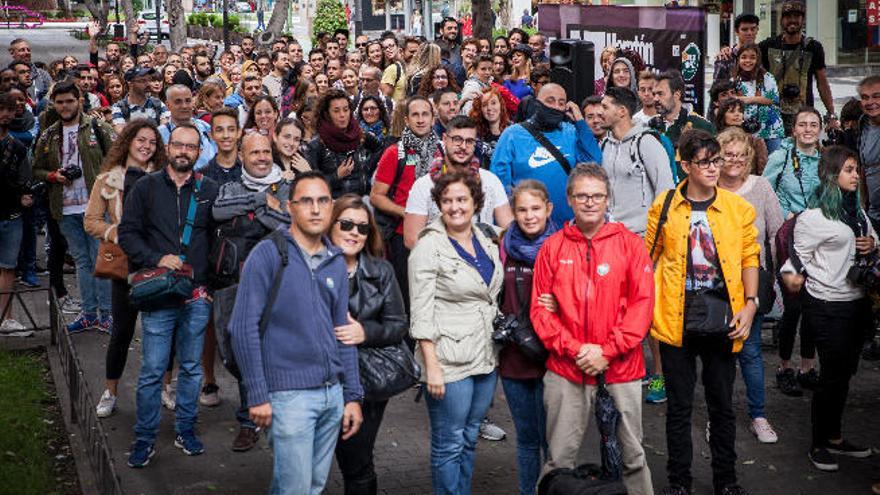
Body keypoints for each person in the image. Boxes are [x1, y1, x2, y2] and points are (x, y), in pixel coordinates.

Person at [231, 170, 364, 493]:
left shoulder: (334, 259)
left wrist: (352, 396)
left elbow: (342, 331)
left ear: (332, 207)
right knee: (296, 489)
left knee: (313, 486)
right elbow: (242, 328)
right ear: (290, 208)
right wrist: (258, 394)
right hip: (288, 397)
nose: (316, 209)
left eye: (322, 201)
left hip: (331, 394)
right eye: (306, 201)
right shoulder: (269, 253)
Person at [646, 129, 758, 495]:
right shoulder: (664, 205)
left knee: (722, 405)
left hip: (724, 317)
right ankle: (680, 481)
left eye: (716, 160)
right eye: (705, 162)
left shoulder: (738, 208)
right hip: (676, 318)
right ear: (685, 166)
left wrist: (751, 305)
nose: (714, 168)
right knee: (679, 407)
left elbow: (749, 258)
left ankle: (727, 480)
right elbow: (648, 258)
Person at [532, 163, 654, 494]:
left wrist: (607, 351)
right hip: (566, 369)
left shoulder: (630, 245)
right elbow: (541, 314)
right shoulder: (552, 248)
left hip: (621, 368)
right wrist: (577, 350)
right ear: (569, 199)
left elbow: (642, 307)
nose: (589, 202)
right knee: (559, 461)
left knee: (633, 459)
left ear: (607, 199)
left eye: (597, 196)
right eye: (582, 195)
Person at [118, 123, 220, 467]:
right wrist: (156, 258)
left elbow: (219, 244)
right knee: (152, 370)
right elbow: (127, 234)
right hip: (159, 294)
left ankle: (186, 429)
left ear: (198, 151)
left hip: (196, 295)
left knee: (191, 368)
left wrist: (210, 286)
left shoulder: (210, 189)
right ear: (168, 147)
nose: (184, 152)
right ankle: (144, 438)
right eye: (178, 145)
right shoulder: (145, 187)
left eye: (191, 147)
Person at [779, 146, 876, 472]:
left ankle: (835, 437)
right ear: (833, 174)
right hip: (825, 305)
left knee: (845, 375)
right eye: (849, 169)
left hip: (856, 303)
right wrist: (792, 281)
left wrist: (872, 244)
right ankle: (818, 443)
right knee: (831, 376)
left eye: (856, 169)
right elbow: (793, 263)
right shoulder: (813, 217)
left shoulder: (858, 213)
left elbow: (873, 240)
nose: (855, 175)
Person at [409, 170, 503, 495]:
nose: (454, 207)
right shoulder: (429, 247)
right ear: (438, 205)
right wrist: (431, 366)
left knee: (469, 437)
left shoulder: (485, 238)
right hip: (448, 361)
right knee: (449, 443)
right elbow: (420, 312)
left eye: (461, 199)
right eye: (447, 201)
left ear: (476, 202)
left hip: (485, 356)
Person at [210, 132, 291, 452]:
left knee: (274, 349)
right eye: (254, 152)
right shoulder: (229, 186)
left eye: (265, 152)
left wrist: (252, 212)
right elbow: (218, 210)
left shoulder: (287, 187)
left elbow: (288, 221)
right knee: (236, 351)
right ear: (241, 156)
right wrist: (260, 202)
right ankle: (249, 414)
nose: (261, 157)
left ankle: (262, 416)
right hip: (234, 281)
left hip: (278, 284)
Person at [326, 194, 408, 494]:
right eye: (346, 224)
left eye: (362, 228)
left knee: (357, 461)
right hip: (317, 376)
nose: (354, 233)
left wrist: (365, 332)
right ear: (330, 225)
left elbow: (399, 325)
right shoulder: (310, 267)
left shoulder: (381, 271)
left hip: (368, 378)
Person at [86, 120, 165, 417]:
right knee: (122, 330)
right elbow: (91, 220)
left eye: (152, 142)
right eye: (140, 140)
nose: (146, 146)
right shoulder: (109, 180)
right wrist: (117, 233)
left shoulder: (162, 178)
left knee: (161, 329)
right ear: (128, 142)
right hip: (124, 265)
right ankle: (110, 391)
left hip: (156, 263)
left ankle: (166, 387)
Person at [716, 127, 783, 444]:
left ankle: (758, 415)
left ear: (750, 158)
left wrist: (776, 282)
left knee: (751, 351)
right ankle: (720, 418)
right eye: (728, 154)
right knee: (720, 354)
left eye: (741, 155)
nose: (735, 161)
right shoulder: (708, 186)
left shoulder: (762, 187)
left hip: (751, 281)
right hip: (714, 285)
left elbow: (776, 234)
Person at [32, 82, 115, 334]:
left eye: (69, 101)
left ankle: (107, 314)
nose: (65, 106)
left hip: (96, 206)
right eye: (59, 102)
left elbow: (118, 159)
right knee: (81, 260)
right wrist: (54, 176)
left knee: (101, 259)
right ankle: (89, 313)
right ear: (53, 104)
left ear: (79, 100)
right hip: (65, 207)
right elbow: (36, 168)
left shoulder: (98, 127)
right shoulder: (49, 135)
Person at [494, 180, 555, 495]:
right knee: (528, 438)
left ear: (548, 209)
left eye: (535, 208)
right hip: (514, 354)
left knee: (553, 442)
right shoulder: (503, 245)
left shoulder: (561, 245)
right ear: (513, 212)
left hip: (553, 356)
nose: (529, 216)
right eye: (522, 210)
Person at [762, 107, 823, 396]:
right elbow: (765, 191)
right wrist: (784, 214)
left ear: (820, 129)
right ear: (794, 129)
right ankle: (784, 367)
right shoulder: (781, 157)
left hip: (818, 241)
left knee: (813, 304)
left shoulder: (827, 161)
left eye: (814, 124)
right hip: (788, 240)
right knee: (794, 304)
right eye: (803, 124)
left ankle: (807, 367)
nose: (808, 129)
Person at [491, 83, 602, 227]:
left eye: (561, 103)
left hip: (567, 228)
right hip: (529, 229)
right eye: (550, 100)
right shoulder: (512, 135)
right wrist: (510, 227)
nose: (556, 106)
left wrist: (580, 121)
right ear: (537, 103)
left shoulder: (571, 132)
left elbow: (594, 163)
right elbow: (499, 185)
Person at [403, 116, 513, 249]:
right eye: (457, 139)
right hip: (442, 264)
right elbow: (411, 239)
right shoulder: (424, 186)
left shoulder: (490, 181)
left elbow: (508, 228)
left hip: (484, 260)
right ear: (444, 139)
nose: (463, 146)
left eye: (469, 141)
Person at [370, 96, 439, 300]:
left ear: (433, 119)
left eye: (425, 114)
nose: (420, 119)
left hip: (439, 233)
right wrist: (408, 214)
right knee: (408, 296)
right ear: (406, 120)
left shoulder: (443, 150)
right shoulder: (395, 153)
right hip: (404, 236)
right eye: (415, 115)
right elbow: (376, 196)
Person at [599, 86, 674, 238]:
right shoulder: (604, 144)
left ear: (621, 111)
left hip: (641, 237)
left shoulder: (647, 142)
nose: (600, 112)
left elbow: (665, 192)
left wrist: (657, 235)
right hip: (609, 235)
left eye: (605, 107)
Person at [759, 1, 838, 133]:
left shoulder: (813, 47)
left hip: (804, 113)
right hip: (774, 114)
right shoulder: (768, 46)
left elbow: (822, 83)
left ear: (803, 19)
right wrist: (727, 51)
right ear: (781, 20)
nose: (792, 20)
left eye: (797, 16)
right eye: (788, 16)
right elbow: (746, 58)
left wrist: (831, 115)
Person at [305, 90, 384, 198]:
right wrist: (336, 176)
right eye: (336, 111)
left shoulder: (360, 135)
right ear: (327, 114)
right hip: (335, 206)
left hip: (362, 203)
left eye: (346, 110)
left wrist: (367, 167)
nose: (342, 115)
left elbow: (380, 149)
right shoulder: (317, 144)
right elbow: (311, 183)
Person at [0, 93, 31, 334]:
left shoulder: (18, 147)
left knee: (8, 268)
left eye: (10, 110)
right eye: (2, 109)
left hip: (11, 215)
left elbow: (25, 181)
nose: (6, 114)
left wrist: (26, 196)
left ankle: (6, 318)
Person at [653, 69, 715, 176]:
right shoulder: (651, 126)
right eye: (654, 94)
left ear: (676, 95)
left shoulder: (701, 126)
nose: (655, 98)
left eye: (660, 94)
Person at [731, 44, 784, 154]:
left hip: (771, 128)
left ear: (758, 59)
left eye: (752, 57)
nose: (748, 61)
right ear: (738, 59)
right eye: (744, 57)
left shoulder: (767, 77)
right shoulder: (734, 80)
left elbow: (772, 99)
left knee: (776, 161)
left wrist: (748, 99)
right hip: (747, 130)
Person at [158, 85, 217, 170]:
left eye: (188, 101)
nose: (184, 106)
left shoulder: (205, 127)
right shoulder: (160, 134)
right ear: (168, 105)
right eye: (178, 102)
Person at [714, 99, 769, 175]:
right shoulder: (715, 140)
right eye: (732, 111)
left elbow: (763, 170)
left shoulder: (755, 140)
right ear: (722, 116)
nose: (737, 114)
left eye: (740, 111)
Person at [111, 67, 170, 134]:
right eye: (143, 81)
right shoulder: (119, 107)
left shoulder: (158, 104)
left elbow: (165, 131)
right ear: (130, 83)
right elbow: (121, 133)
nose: (148, 84)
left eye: (149, 80)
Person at [856, 76, 880, 230]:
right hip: (873, 212)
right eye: (865, 98)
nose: (870, 102)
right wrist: (863, 204)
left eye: (876, 96)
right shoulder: (863, 123)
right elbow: (863, 165)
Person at [470, 87, 510, 168]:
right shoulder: (475, 135)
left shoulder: (513, 132)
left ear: (500, 105)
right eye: (484, 105)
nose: (489, 108)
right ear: (480, 109)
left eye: (493, 103)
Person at [714, 13, 760, 82]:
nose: (749, 33)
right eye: (744, 29)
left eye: (753, 29)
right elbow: (717, 89)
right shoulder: (725, 58)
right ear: (736, 32)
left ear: (757, 30)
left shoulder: (762, 53)